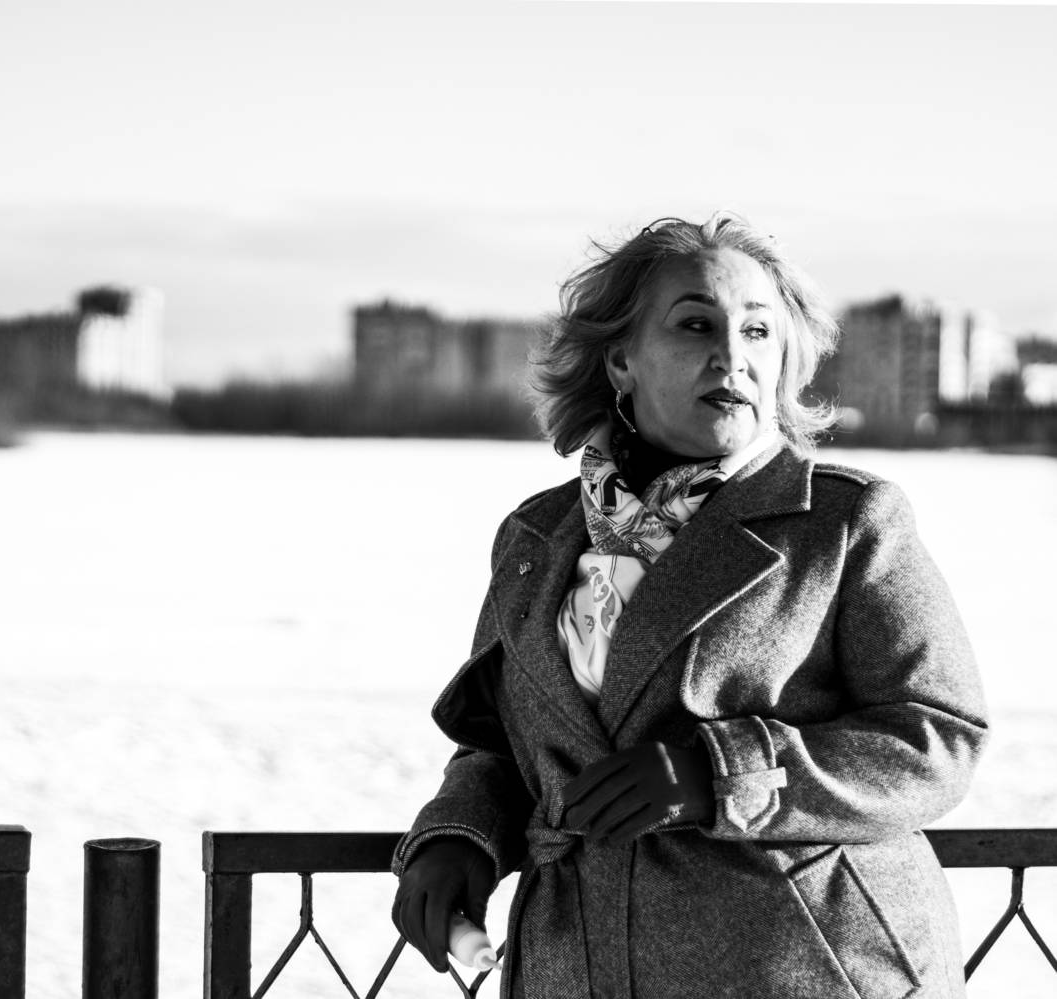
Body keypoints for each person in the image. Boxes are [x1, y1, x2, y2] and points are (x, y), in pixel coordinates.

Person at [390, 214, 988, 998]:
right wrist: (460, 833)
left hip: (802, 970)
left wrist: (721, 773)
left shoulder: (844, 522)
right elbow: (512, 744)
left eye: (758, 331)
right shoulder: (538, 537)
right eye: (696, 324)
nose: (732, 356)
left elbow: (936, 737)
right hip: (578, 966)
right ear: (621, 359)